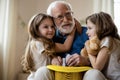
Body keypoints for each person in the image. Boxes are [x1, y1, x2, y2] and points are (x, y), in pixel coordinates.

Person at [21, 13, 76, 80]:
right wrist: (72, 30)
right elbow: (65, 47)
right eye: (46, 27)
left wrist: (54, 58)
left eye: (52, 26)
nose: (51, 30)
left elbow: (48, 57)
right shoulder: (40, 43)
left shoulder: (35, 43)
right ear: (36, 30)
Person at [47, 0, 90, 67]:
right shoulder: (49, 37)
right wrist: (52, 58)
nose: (66, 20)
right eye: (60, 17)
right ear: (52, 20)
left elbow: (101, 60)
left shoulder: (88, 33)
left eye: (68, 14)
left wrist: (86, 60)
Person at [82, 12, 120, 80]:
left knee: (92, 73)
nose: (86, 32)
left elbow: (97, 67)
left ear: (100, 27)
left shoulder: (107, 40)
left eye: (90, 28)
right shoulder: (112, 40)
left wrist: (88, 47)